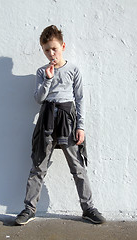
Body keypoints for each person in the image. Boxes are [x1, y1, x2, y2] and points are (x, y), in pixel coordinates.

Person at [15, 25, 105, 225]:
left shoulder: (73, 70)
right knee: (38, 166)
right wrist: (47, 79)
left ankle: (88, 208)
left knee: (77, 166)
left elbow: (80, 99)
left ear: (62, 46)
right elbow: (38, 98)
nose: (51, 53)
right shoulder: (41, 71)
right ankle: (29, 209)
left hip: (68, 119)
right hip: (46, 119)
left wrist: (80, 127)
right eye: (46, 50)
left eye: (54, 48)